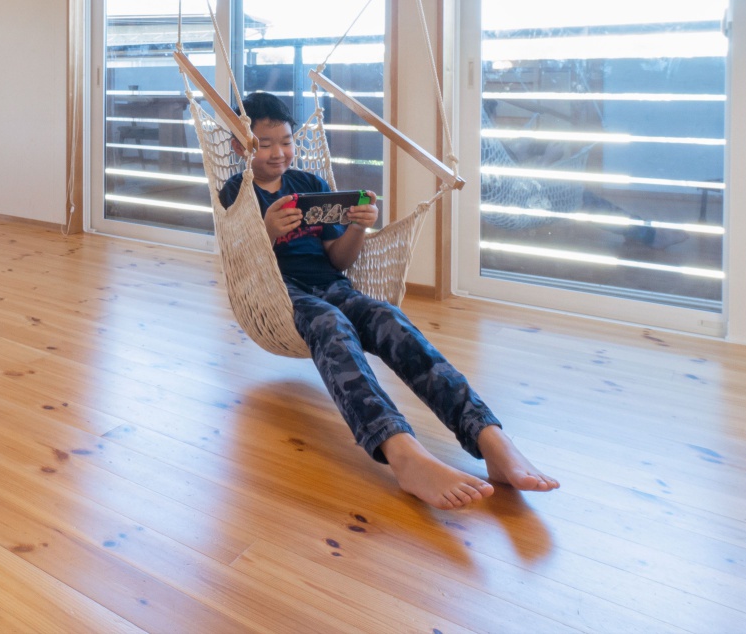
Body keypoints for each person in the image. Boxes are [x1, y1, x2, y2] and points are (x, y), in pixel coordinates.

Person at [219, 90, 558, 509]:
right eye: (264, 143)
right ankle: (404, 455)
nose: (278, 153)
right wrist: (268, 229)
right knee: (330, 325)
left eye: (285, 141)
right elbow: (244, 264)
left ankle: (488, 436)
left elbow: (340, 261)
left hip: (331, 284)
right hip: (280, 295)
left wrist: (358, 228)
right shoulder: (236, 193)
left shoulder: (310, 185)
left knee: (388, 318)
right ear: (241, 146)